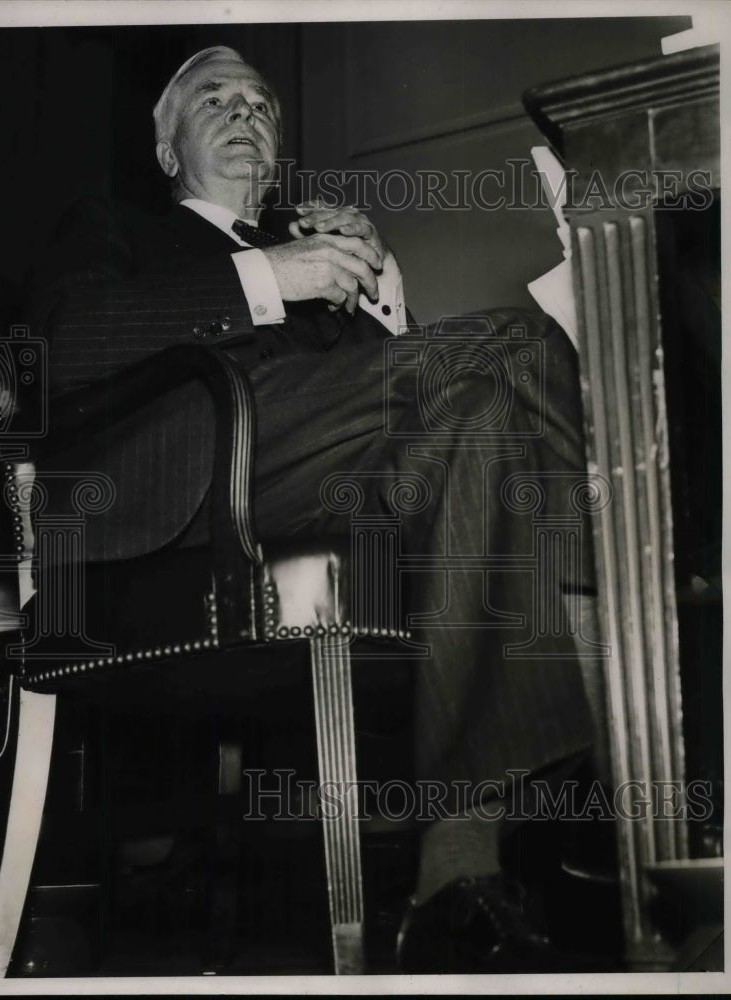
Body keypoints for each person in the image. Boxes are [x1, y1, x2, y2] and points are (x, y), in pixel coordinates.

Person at [31, 45, 601, 973]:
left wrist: (377, 285)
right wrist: (271, 276)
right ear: (168, 153)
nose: (244, 112)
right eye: (214, 101)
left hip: (317, 483)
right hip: (184, 481)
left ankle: (457, 867)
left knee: (490, 418)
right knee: (515, 341)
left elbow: (431, 411)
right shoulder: (115, 226)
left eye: (259, 103)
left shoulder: (317, 259)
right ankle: (610, 669)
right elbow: (63, 343)